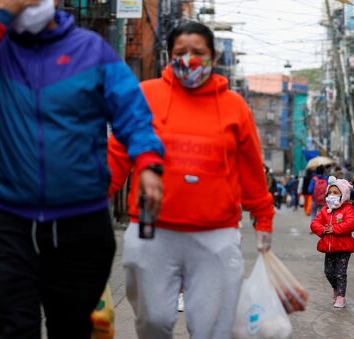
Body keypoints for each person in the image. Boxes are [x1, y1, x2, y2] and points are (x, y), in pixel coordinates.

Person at [0, 1, 165, 338]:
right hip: (8, 221)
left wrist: (147, 162)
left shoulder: (90, 50)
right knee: (12, 327)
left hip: (81, 222)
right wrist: (2, 14)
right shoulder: (2, 49)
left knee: (72, 327)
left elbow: (131, 109)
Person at [107, 21, 274, 339]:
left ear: (213, 56)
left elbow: (251, 167)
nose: (189, 59)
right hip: (151, 228)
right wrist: (91, 196)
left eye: (198, 52)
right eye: (181, 52)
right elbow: (118, 154)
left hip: (216, 234)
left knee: (212, 327)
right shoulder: (145, 95)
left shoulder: (234, 106)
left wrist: (263, 217)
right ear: (169, 55)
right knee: (152, 320)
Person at [310, 176, 354, 308]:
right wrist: (323, 230)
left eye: (336, 193)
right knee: (328, 272)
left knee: (340, 273)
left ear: (343, 195)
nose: (332, 195)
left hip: (343, 247)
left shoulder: (348, 209)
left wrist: (335, 229)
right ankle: (336, 288)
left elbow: (351, 223)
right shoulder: (325, 210)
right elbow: (314, 223)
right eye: (330, 193)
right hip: (329, 247)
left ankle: (341, 296)